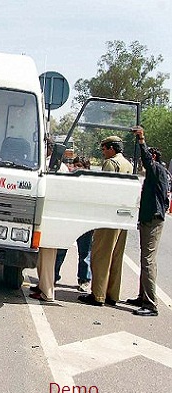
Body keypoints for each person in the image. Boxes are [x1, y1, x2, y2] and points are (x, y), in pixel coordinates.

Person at [78, 136, 132, 307]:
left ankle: (98, 295)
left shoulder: (111, 164)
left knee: (101, 255)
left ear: (111, 148)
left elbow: (105, 190)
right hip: (123, 216)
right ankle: (112, 294)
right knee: (116, 257)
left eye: (104, 149)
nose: (102, 152)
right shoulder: (128, 164)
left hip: (109, 216)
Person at [126, 127, 168, 317]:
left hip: (153, 219)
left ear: (154, 157)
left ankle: (151, 304)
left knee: (148, 261)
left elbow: (147, 160)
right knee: (146, 259)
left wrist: (141, 139)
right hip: (150, 218)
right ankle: (143, 296)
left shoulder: (157, 169)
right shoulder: (158, 172)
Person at [29, 138, 69, 301]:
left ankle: (47, 291)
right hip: (53, 214)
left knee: (47, 257)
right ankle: (43, 287)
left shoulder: (49, 164)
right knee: (45, 257)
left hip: (49, 214)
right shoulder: (61, 166)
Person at [53, 156, 93, 292]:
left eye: (79, 165)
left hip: (85, 223)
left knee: (85, 253)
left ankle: (84, 279)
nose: (75, 168)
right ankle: (53, 276)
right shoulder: (68, 180)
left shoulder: (92, 183)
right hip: (68, 221)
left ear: (86, 168)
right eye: (75, 165)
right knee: (60, 250)